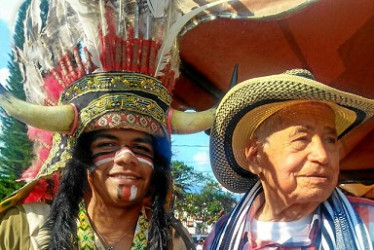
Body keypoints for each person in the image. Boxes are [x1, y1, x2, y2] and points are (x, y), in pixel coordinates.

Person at [0, 0, 235, 249]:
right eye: (107, 144)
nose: (126, 157)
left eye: (142, 148)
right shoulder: (23, 228)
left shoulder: (174, 241)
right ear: (78, 158)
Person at [205, 69, 374, 249]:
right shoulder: (220, 234)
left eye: (330, 140)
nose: (323, 156)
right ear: (255, 156)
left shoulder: (368, 222)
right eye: (301, 139)